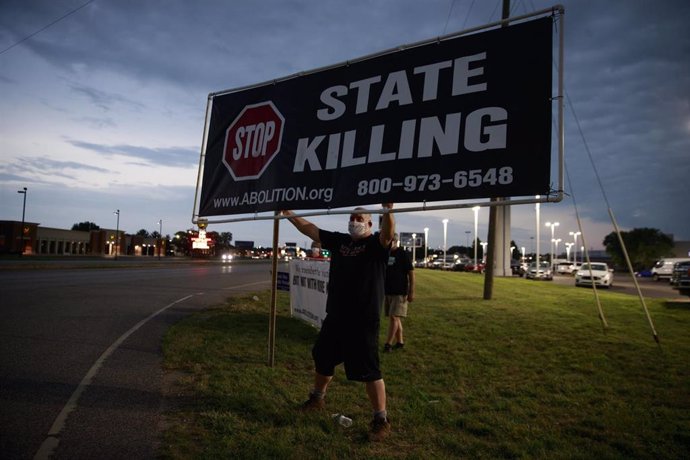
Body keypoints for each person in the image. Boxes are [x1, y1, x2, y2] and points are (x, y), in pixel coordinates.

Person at [281, 204, 395, 441]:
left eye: (360, 218)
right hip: (336, 315)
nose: (354, 221)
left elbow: (388, 235)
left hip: (363, 318)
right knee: (322, 356)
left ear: (370, 223)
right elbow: (310, 230)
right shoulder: (341, 241)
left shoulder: (375, 244)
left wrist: (388, 211)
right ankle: (317, 399)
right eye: (352, 217)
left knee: (369, 369)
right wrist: (288, 214)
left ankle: (380, 419)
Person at [383, 233, 415, 352]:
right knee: (395, 318)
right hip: (388, 291)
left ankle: (388, 344)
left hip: (399, 291)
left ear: (395, 241)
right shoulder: (387, 254)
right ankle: (400, 342)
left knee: (394, 317)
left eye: (388, 241)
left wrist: (411, 291)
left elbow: (411, 273)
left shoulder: (402, 253)